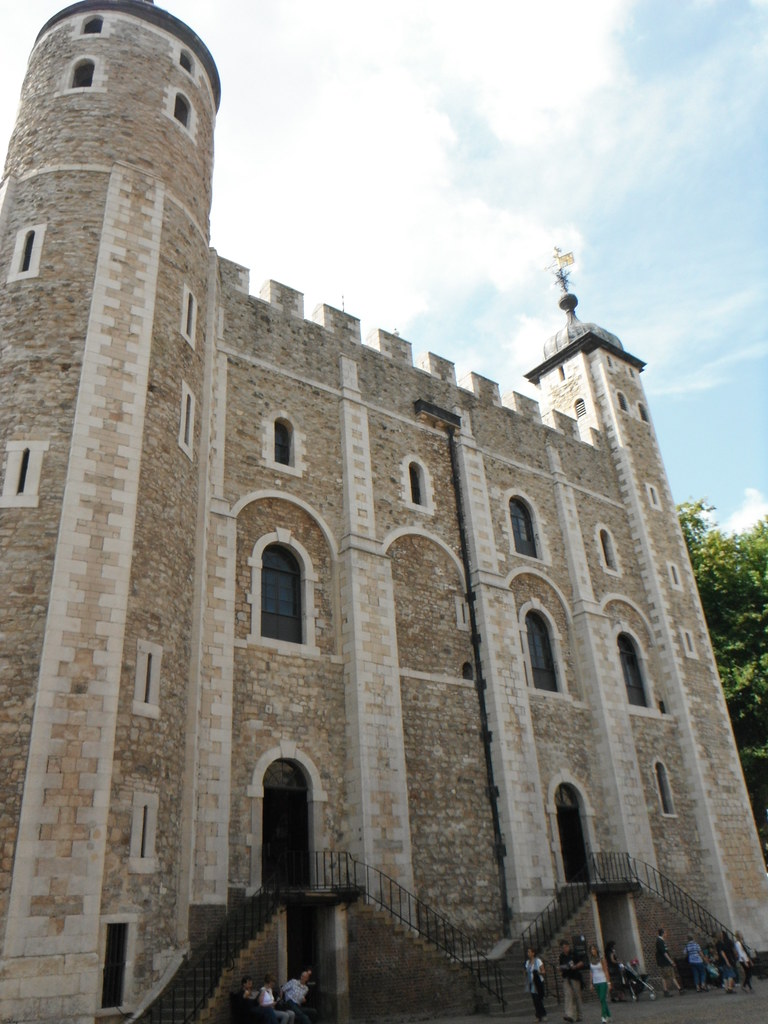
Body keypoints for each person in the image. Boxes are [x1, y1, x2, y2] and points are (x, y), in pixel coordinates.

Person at [558, 939, 584, 1022]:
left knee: (577, 996)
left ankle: (579, 1015)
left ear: (568, 946)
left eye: (566, 947)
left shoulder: (574, 953)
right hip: (566, 976)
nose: (565, 949)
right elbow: (561, 965)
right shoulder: (562, 956)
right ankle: (569, 1015)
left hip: (575, 976)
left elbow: (581, 962)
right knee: (568, 995)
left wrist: (575, 966)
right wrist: (560, 969)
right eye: (563, 948)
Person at [655, 927, 683, 995]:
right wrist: (671, 961)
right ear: (663, 933)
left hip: (663, 962)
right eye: (665, 933)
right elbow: (664, 952)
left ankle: (666, 990)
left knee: (665, 976)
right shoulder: (660, 941)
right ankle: (679, 989)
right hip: (665, 962)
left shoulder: (660, 941)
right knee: (671, 975)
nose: (666, 934)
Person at [588, 944, 611, 1024]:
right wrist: (591, 983)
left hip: (602, 980)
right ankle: (608, 1015)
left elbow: (605, 970)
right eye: (591, 950)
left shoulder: (601, 959)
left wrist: (608, 982)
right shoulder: (591, 960)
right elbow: (591, 972)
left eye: (594, 949)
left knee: (602, 998)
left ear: (596, 950)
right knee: (602, 1000)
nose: (593, 951)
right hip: (596, 981)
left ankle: (603, 1017)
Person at [524, 946, 547, 1023]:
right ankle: (539, 1015)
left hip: (538, 982)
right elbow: (526, 972)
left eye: (529, 952)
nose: (528, 953)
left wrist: (538, 972)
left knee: (539, 999)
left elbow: (543, 971)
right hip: (532, 983)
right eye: (527, 952)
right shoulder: (527, 962)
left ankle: (542, 1015)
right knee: (535, 1000)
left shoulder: (538, 961)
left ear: (533, 953)